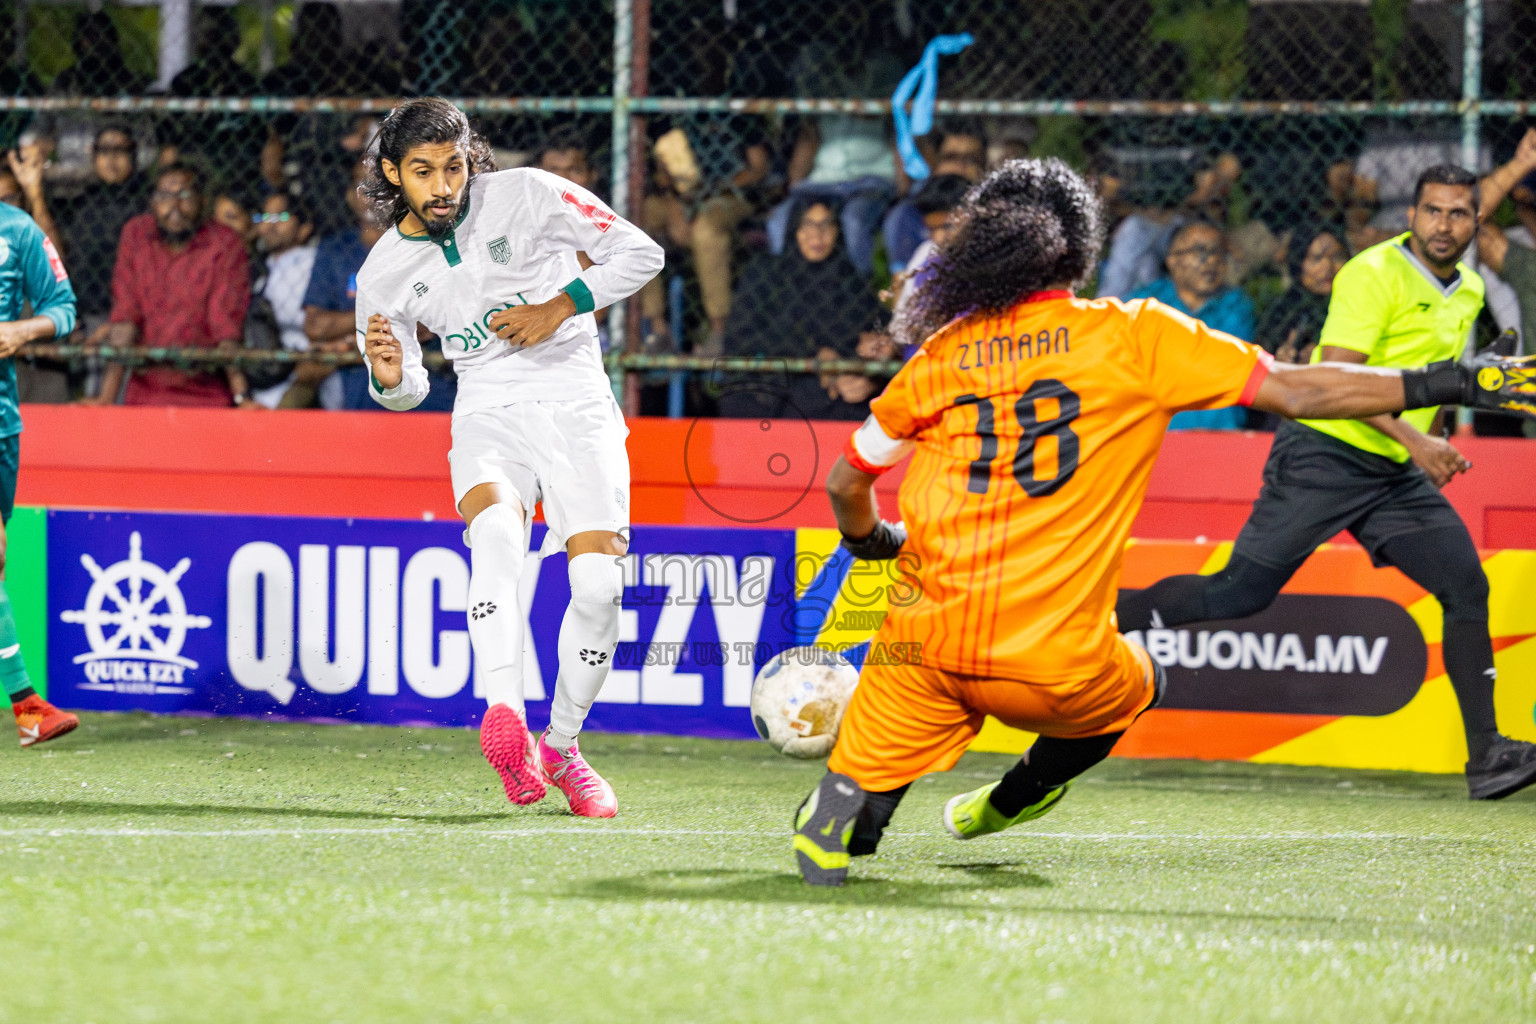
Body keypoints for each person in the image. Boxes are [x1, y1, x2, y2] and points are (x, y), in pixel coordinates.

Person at [790, 158, 1530, 887]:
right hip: (1052, 663)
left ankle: (845, 812)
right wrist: (1450, 380)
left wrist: (870, 541)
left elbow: (846, 480)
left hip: (927, 651)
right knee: (1141, 678)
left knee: (849, 806)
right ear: (1081, 249)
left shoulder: (945, 351)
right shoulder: (1136, 336)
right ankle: (1012, 799)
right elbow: (1298, 389)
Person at [1117, 164, 1536, 803]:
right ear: (1411, 216)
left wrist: (1434, 435)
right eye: (1432, 211)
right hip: (1322, 456)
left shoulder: (1472, 289)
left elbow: (1428, 384)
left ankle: (1488, 758)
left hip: (1392, 474)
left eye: (1458, 213)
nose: (1444, 225)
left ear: (1477, 221)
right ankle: (1105, 617)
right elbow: (1333, 383)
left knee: (1464, 583)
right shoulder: (1371, 275)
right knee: (1238, 593)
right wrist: (1417, 441)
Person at [355, 98, 662, 817]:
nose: (443, 187)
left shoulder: (529, 193)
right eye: (423, 171)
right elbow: (404, 387)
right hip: (487, 406)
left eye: (454, 167)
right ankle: (507, 720)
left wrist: (559, 306)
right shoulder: (383, 273)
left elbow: (640, 252)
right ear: (394, 174)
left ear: (473, 161)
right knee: (495, 534)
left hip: (578, 400)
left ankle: (561, 745)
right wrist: (392, 381)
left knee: (598, 591)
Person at [0, 182, 78, 746]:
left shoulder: (19, 230)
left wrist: (22, 329)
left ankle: (26, 707)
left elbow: (65, 309)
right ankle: (28, 703)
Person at [86, 162, 253, 408]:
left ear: (203, 201)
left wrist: (242, 397)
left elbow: (225, 322)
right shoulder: (136, 235)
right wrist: (106, 398)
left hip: (206, 393)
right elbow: (126, 314)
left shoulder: (225, 243)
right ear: (152, 202)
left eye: (184, 195)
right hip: (145, 391)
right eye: (164, 196)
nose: (174, 207)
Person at [719, 200, 882, 420]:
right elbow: (739, 338)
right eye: (807, 225)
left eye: (826, 225)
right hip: (773, 382)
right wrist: (813, 354)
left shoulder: (851, 283)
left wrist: (864, 377)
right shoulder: (766, 275)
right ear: (794, 230)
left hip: (832, 391)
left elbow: (876, 333)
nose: (817, 235)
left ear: (837, 232)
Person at [1127, 221, 1256, 429]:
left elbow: (1231, 365)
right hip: (1154, 430)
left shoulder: (1236, 304)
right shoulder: (1141, 304)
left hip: (1221, 430)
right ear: (1172, 260)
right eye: (1199, 251)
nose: (1211, 261)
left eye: (1217, 252)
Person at [301, 160, 385, 410]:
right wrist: (391, 316)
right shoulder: (335, 249)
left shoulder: (420, 244)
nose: (371, 193)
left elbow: (426, 326)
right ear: (350, 196)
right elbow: (316, 326)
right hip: (355, 385)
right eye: (363, 185)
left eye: (380, 183)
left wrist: (347, 339)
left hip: (425, 378)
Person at [882, 125, 987, 272]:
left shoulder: (993, 212)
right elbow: (902, 279)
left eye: (971, 159)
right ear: (934, 159)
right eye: (951, 157)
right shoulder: (909, 213)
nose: (960, 166)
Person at [250, 192, 318, 409]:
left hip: (304, 368)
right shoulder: (259, 267)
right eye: (264, 218)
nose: (270, 225)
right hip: (263, 372)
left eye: (280, 217)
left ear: (304, 228)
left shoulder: (311, 264)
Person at [1256, 225, 1349, 365]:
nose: (1328, 267)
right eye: (1316, 259)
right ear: (1298, 264)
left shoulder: (1356, 304)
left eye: (1337, 257)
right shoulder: (1282, 311)